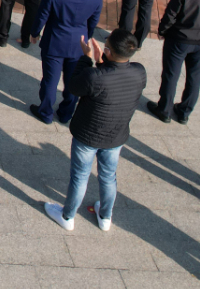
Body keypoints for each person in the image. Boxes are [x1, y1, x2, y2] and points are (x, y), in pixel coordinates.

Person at [44, 29, 146, 232]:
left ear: (108, 51)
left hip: (87, 136)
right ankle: (105, 216)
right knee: (108, 176)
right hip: (115, 136)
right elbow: (113, 79)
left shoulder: (95, 77)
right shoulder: (139, 72)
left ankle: (67, 216)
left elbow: (74, 86)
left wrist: (86, 58)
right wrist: (102, 62)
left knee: (80, 176)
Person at [29, 0, 103, 125]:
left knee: (50, 81)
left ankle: (46, 112)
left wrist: (34, 32)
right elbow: (93, 21)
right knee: (73, 81)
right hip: (79, 43)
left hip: (54, 41)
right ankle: (66, 113)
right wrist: (86, 37)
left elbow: (42, 15)